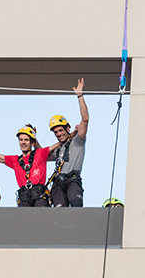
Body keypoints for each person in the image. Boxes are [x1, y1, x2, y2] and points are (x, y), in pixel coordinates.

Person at [0, 122, 62, 207]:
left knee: (42, 217)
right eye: (21, 140)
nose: (23, 142)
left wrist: (72, 134)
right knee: (23, 219)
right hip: (24, 197)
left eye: (26, 140)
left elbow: (60, 143)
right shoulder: (15, 160)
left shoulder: (40, 153)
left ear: (32, 143)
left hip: (39, 196)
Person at [48, 78, 89, 207]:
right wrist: (34, 139)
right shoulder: (59, 149)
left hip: (72, 180)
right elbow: (42, 155)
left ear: (68, 128)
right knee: (60, 214)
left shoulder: (77, 141)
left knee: (76, 207)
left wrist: (80, 96)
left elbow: (85, 119)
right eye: (56, 132)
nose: (59, 134)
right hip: (59, 184)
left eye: (60, 130)